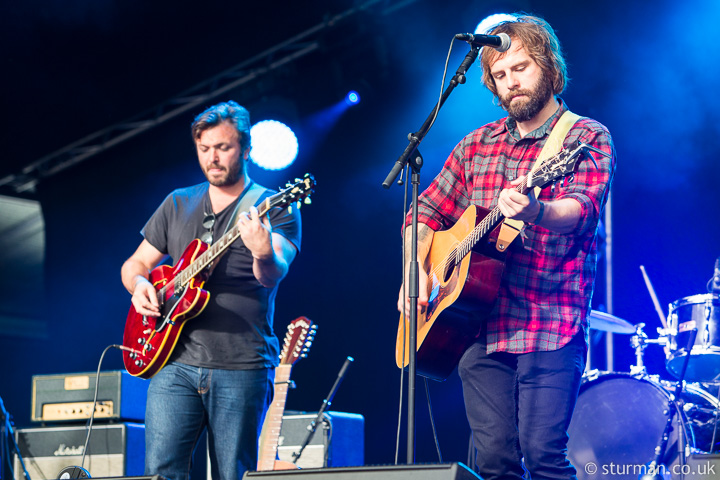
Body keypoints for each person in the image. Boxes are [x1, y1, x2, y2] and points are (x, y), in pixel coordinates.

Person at [397, 14, 615, 480]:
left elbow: (580, 210)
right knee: (493, 462)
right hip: (475, 325)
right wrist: (415, 267)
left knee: (543, 458)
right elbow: (422, 213)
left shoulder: (584, 137)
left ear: (548, 67)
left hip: (548, 322)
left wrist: (536, 211)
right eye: (500, 74)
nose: (511, 82)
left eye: (521, 68)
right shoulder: (475, 146)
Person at [121, 100, 301, 480]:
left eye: (223, 148)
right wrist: (139, 286)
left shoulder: (274, 207)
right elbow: (134, 265)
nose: (212, 158)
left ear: (247, 149)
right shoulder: (178, 202)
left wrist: (262, 250)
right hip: (174, 362)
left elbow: (273, 274)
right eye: (204, 149)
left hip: (241, 364)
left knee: (233, 474)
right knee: (159, 472)